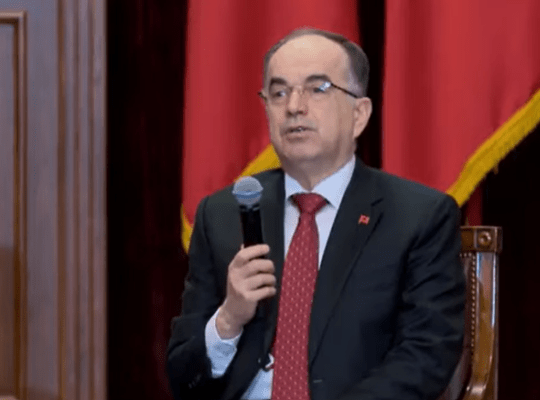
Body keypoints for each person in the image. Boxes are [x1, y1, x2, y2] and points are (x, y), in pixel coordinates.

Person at [167, 28, 465, 400]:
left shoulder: (418, 216)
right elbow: (182, 377)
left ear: (359, 114)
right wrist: (228, 319)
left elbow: (426, 355)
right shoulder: (223, 214)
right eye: (279, 93)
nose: (294, 106)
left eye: (317, 89)